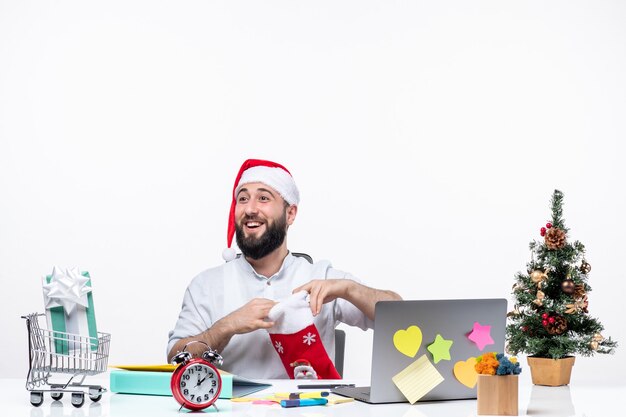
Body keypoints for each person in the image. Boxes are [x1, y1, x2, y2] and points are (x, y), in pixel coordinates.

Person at [167, 159, 402, 378]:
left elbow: (402, 319)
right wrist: (226, 326)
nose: (250, 209)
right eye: (243, 199)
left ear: (290, 213)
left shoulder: (322, 277)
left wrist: (350, 290)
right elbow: (174, 361)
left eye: (263, 198)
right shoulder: (206, 285)